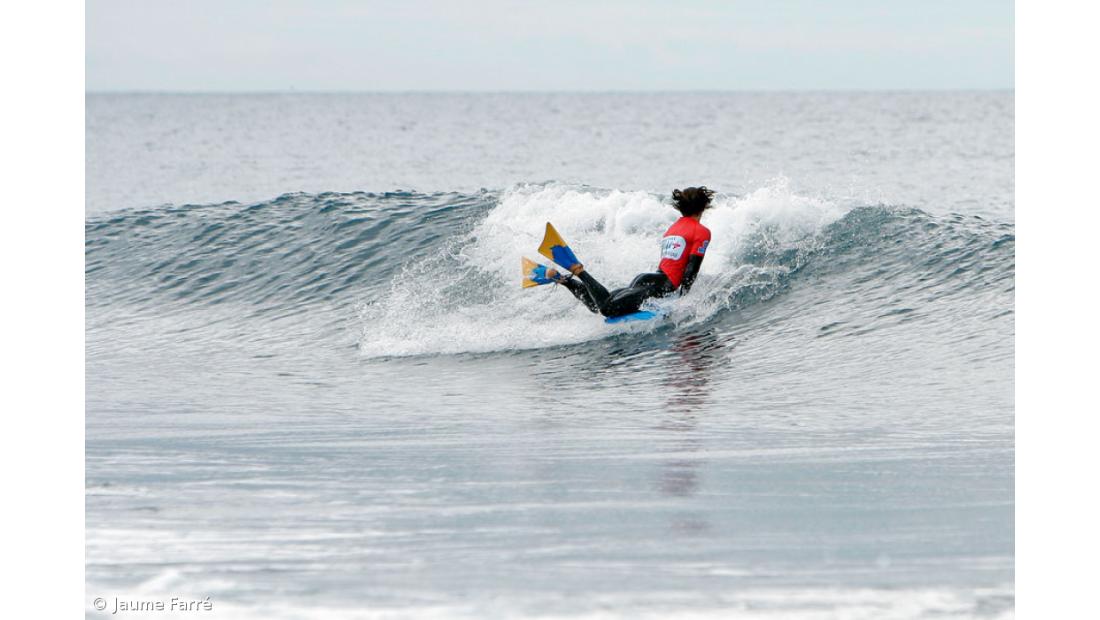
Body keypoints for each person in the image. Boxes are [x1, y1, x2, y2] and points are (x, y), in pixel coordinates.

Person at [523, 186, 714, 318]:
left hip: (649, 279)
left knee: (598, 304)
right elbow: (691, 269)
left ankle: (562, 279)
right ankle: (579, 270)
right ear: (703, 206)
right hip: (659, 286)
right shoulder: (701, 232)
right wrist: (683, 299)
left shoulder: (672, 229)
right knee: (607, 309)